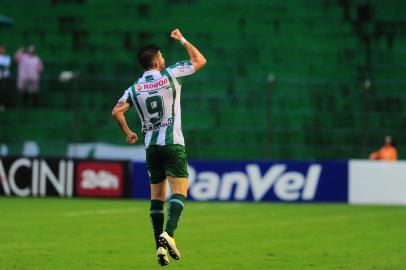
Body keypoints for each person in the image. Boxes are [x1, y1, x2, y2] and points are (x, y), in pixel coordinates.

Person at [112, 29, 206, 266]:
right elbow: (199, 60)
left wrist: (128, 132)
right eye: (162, 56)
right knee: (179, 192)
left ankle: (159, 248)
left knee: (156, 197)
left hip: (151, 148)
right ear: (156, 61)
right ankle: (169, 234)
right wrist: (183, 39)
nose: (164, 59)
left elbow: (116, 112)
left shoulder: (134, 88)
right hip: (173, 144)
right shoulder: (171, 75)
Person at [0, 45, 11, 110]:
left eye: (3, 49)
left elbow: (6, 66)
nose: (2, 51)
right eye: (1, 49)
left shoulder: (7, 57)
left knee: (3, 91)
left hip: (4, 77)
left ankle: (2, 105)